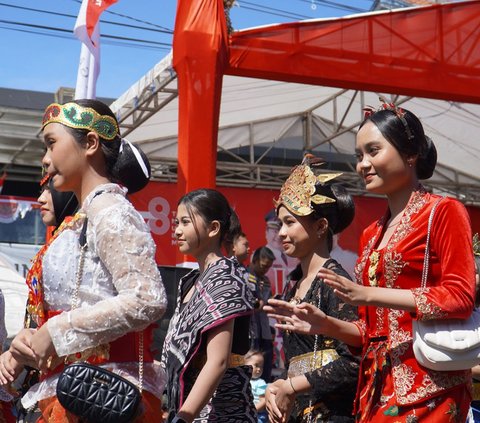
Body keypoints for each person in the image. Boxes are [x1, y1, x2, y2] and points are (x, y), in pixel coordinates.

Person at [265, 101, 476, 422]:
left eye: (373, 151)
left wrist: (369, 295)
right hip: (375, 389)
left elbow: (460, 297)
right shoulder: (371, 234)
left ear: (410, 154)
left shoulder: (443, 211)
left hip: (429, 385)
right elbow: (370, 330)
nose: (363, 164)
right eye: (359, 156)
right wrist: (327, 325)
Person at [0, 99, 167, 422]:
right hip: (75, 394)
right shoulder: (83, 217)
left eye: (51, 144)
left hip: (104, 396)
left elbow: (148, 299)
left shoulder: (111, 212)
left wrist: (56, 330)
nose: (45, 160)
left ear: (90, 143)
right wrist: (33, 342)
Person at [265, 156, 359, 423]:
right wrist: (277, 388)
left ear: (320, 226)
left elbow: (354, 362)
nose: (281, 232)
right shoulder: (293, 284)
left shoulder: (334, 281)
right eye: (279, 223)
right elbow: (296, 361)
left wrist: (292, 386)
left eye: (290, 222)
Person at [162, 188, 256, 423]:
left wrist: (184, 417)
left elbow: (218, 361)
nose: (177, 230)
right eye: (176, 222)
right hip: (189, 408)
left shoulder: (225, 278)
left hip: (221, 412)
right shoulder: (191, 281)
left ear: (213, 228)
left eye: (185, 222)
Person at [249, 246, 275, 382]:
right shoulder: (244, 277)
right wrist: (259, 305)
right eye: (264, 266)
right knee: (250, 371)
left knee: (264, 373)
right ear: (254, 260)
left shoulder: (266, 281)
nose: (266, 270)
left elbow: (266, 303)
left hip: (264, 332)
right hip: (249, 332)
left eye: (269, 267)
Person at [245, 349, 268, 423]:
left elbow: (263, 400)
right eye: (256, 365)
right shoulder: (243, 381)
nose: (259, 369)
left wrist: (253, 410)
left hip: (257, 415)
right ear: (244, 363)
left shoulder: (260, 383)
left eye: (261, 366)